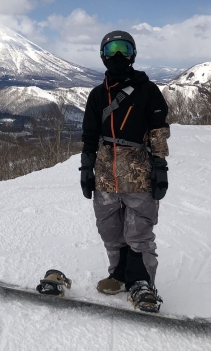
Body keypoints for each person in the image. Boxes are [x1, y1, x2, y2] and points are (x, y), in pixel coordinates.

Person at [79, 30, 170, 313]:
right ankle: (119, 275)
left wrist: (160, 165)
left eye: (124, 49)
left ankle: (141, 283)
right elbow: (90, 134)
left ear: (133, 54)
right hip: (105, 173)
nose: (118, 55)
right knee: (109, 228)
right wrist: (86, 167)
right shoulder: (97, 95)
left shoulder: (147, 90)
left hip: (138, 173)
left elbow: (157, 131)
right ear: (103, 56)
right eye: (112, 49)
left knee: (138, 230)